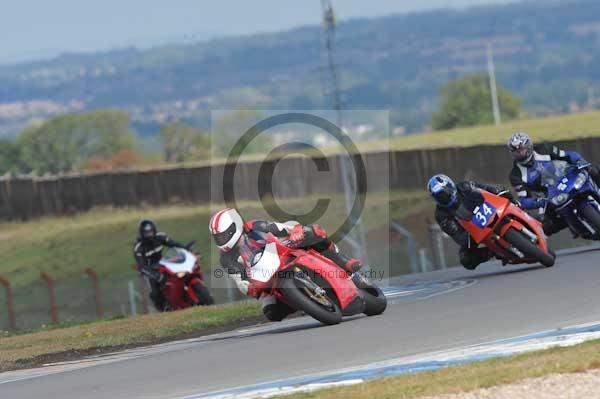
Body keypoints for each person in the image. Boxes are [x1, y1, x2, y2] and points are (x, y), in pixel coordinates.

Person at [209, 208, 363, 321]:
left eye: (223, 235)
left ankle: (343, 260)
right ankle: (304, 303)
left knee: (313, 232)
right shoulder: (226, 259)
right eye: (218, 237)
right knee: (272, 312)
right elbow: (239, 279)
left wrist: (294, 231)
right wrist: (248, 288)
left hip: (282, 251)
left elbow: (277, 227)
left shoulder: (252, 227)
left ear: (235, 226)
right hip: (266, 277)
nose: (221, 240)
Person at [507, 132, 600, 235]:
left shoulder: (544, 149)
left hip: (566, 177)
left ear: (529, 147)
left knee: (594, 170)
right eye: (516, 152)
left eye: (521, 150)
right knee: (546, 224)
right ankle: (574, 228)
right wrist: (540, 201)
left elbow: (568, 155)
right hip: (550, 196)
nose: (520, 154)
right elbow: (524, 200)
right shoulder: (516, 175)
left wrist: (580, 161)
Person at [427, 174, 514, 270]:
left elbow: (485, 188)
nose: (444, 197)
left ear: (450, 186)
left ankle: (519, 211)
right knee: (466, 259)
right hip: (472, 231)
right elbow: (457, 236)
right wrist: (467, 234)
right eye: (439, 197)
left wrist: (498, 191)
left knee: (507, 195)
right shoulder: (441, 214)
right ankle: (494, 251)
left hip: (490, 210)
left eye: (445, 193)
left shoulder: (464, 187)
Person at [133, 219, 188, 311]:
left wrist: (187, 249)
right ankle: (163, 308)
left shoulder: (160, 236)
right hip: (149, 270)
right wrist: (155, 275)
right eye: (146, 233)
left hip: (163, 263)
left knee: (180, 275)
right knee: (155, 292)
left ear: (154, 230)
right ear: (142, 233)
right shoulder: (138, 247)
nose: (149, 234)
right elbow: (141, 266)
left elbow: (173, 244)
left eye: (150, 232)